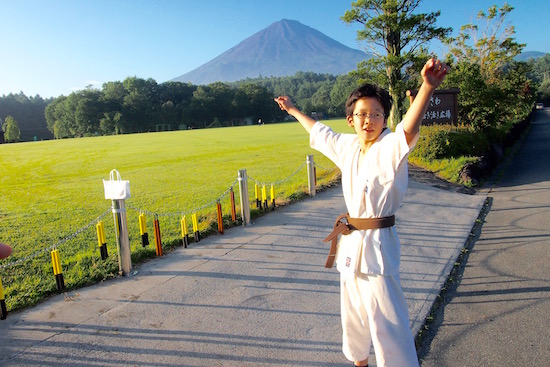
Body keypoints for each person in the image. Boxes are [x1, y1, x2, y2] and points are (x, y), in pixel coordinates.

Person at [274, 58, 448, 367]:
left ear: (385, 118)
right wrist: (292, 110)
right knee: (352, 315)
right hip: (351, 246)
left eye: (376, 114)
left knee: (388, 322)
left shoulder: (390, 147)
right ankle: (359, 362)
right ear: (351, 119)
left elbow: (409, 128)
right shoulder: (348, 145)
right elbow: (319, 130)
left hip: (379, 249)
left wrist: (427, 87)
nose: (369, 120)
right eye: (361, 114)